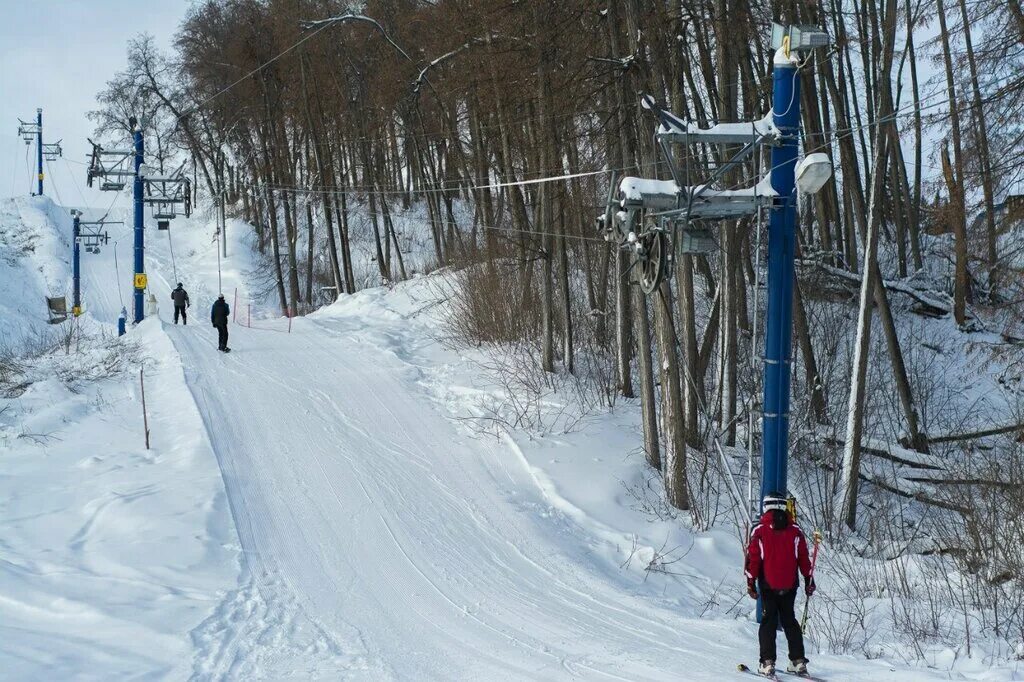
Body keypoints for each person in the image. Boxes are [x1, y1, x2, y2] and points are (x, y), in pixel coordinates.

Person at [745, 492, 815, 677]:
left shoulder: (759, 530)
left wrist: (750, 581)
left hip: (768, 584)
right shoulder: (795, 530)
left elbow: (754, 558)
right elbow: (803, 558)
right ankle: (798, 661)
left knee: (768, 621)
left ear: (766, 506)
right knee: (789, 620)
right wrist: (809, 578)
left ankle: (767, 663)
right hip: (790, 584)